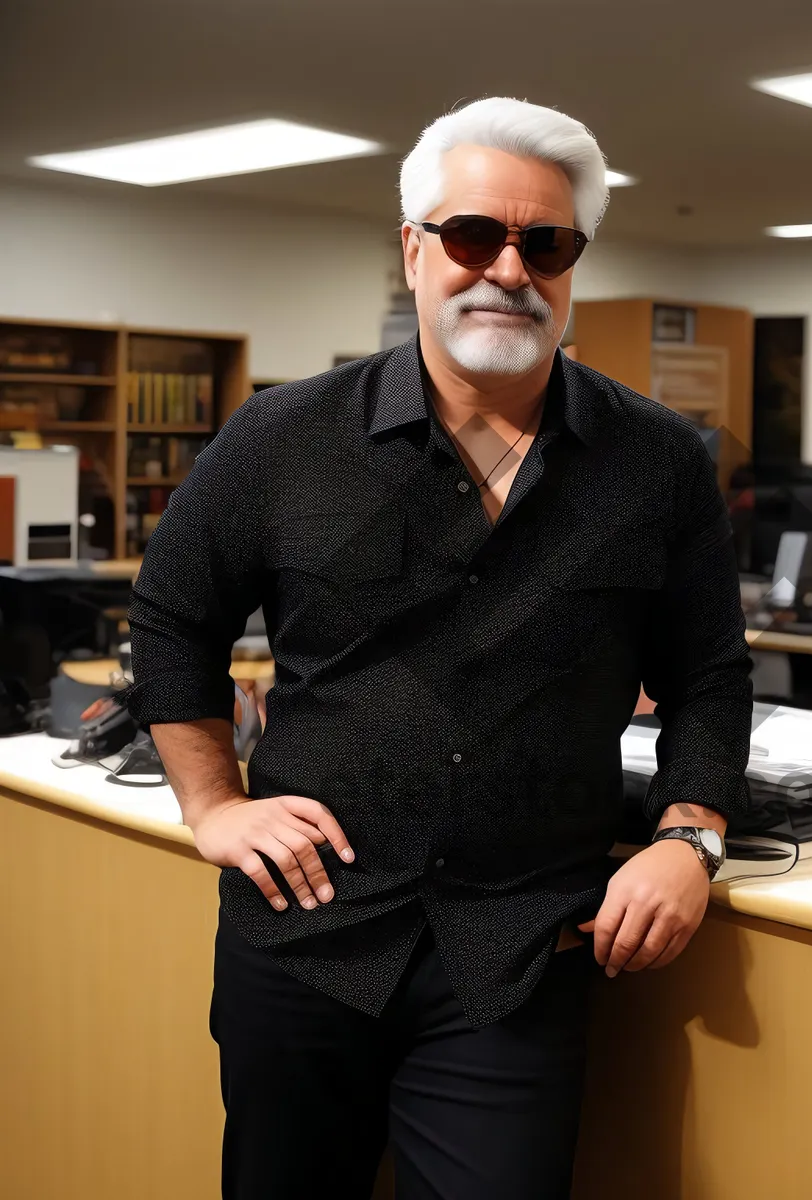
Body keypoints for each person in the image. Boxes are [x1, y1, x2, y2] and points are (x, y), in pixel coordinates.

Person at [119, 96, 752, 1200]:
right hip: (306, 937)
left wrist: (688, 835)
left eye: (543, 243)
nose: (507, 268)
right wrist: (213, 807)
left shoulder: (656, 463)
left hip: (518, 960)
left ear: (570, 266)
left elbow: (708, 675)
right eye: (472, 236)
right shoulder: (280, 440)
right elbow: (173, 618)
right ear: (414, 251)